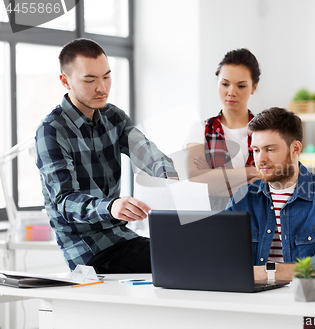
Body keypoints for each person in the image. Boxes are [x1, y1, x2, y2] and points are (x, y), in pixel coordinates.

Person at [35, 38, 178, 273]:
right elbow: (63, 201)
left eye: (106, 76)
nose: (102, 87)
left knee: (187, 249)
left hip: (120, 236)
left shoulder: (113, 117)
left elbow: (147, 152)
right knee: (180, 256)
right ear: (65, 81)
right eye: (90, 80)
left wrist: (170, 178)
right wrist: (111, 207)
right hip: (87, 250)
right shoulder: (51, 130)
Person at [226, 107, 315, 281]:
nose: (260, 159)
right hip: (254, 298)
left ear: (295, 148)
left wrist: (268, 274)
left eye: (270, 149)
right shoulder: (243, 197)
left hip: (308, 297)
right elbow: (222, 255)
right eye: (256, 150)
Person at [183, 48, 259, 211]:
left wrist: (213, 178)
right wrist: (253, 172)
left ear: (253, 87)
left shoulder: (266, 131)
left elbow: (274, 181)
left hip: (260, 223)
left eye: (241, 86)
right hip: (215, 222)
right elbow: (195, 178)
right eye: (225, 84)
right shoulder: (200, 129)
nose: (231, 92)